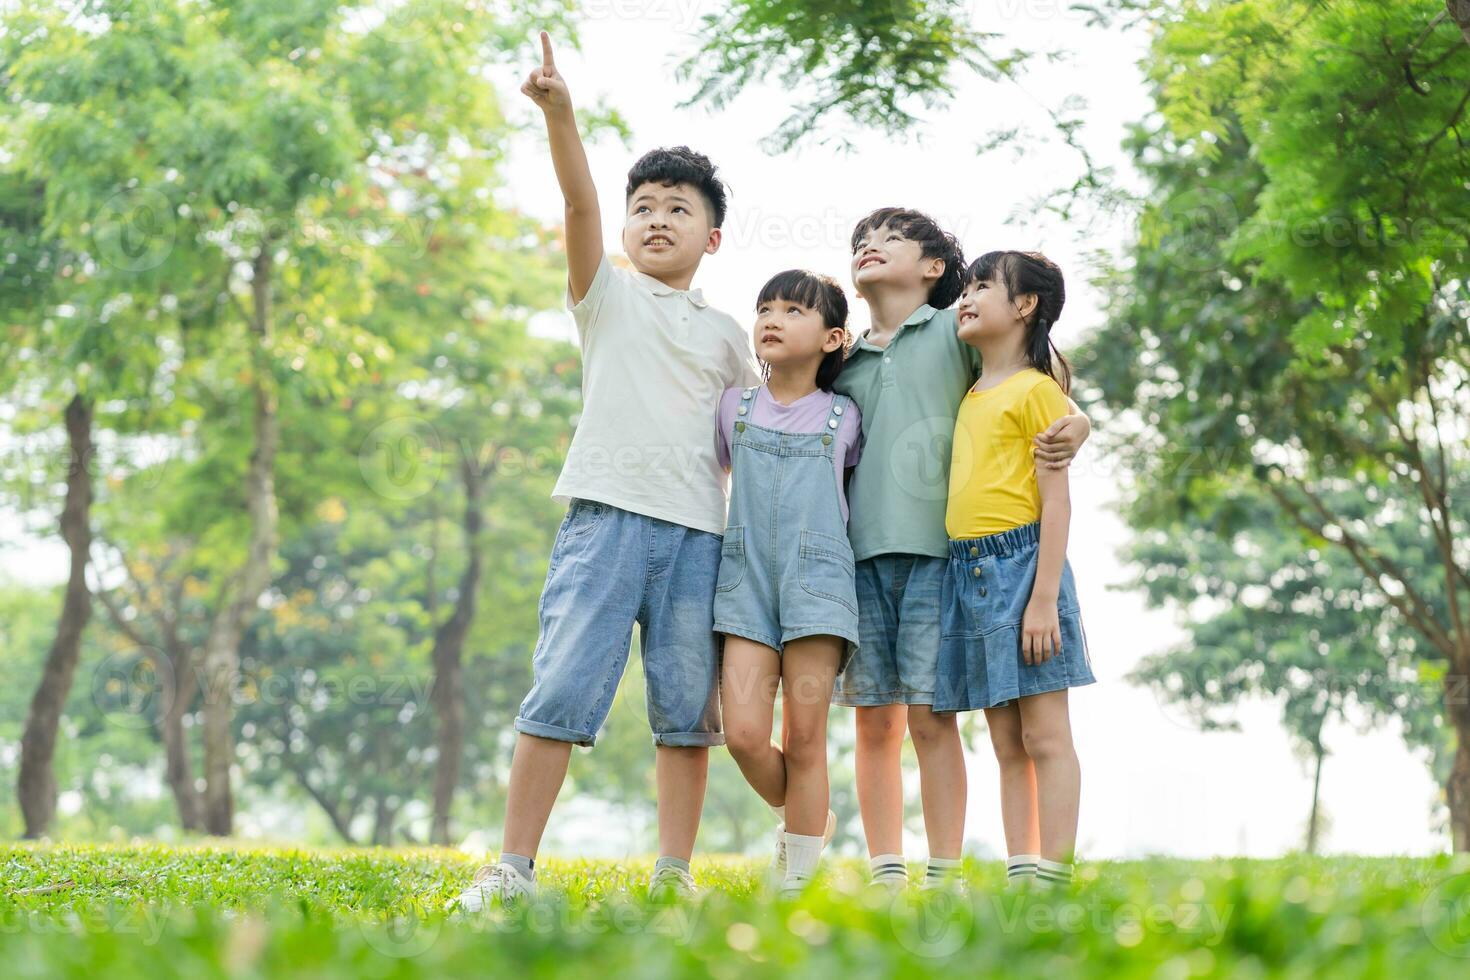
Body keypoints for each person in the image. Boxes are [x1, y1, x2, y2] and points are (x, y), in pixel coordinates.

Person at [447, 32, 760, 911]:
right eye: (646, 207)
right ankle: (511, 867)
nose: (658, 219)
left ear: (714, 235)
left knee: (686, 716)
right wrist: (562, 116)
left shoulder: (730, 335)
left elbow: (766, 432)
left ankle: (674, 876)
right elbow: (580, 204)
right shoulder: (606, 295)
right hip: (605, 524)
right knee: (560, 693)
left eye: (678, 209)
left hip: (701, 536)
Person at [831, 209, 1091, 891]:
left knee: (942, 718)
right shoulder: (848, 361)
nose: (868, 247)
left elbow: (1037, 380)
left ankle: (984, 872)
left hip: (963, 563)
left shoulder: (954, 332)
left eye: (887, 239)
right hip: (884, 559)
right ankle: (897, 871)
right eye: (860, 241)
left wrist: (1080, 419)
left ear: (934, 269)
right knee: (898, 724)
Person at [936, 250, 1096, 890]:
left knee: (1046, 735)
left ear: (1025, 306)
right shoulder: (972, 388)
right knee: (1005, 739)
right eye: (965, 287)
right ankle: (1020, 868)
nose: (966, 296)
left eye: (981, 286)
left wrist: (1042, 599)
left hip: (1023, 568)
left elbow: (1056, 500)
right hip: (967, 572)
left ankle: (1055, 872)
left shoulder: (1035, 391)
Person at [714, 270, 862, 896]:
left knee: (805, 738)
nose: (772, 319)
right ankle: (810, 819)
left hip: (820, 586)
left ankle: (796, 885)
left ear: (832, 338)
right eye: (765, 308)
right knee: (745, 736)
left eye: (793, 310)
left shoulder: (846, 416)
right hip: (745, 582)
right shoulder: (733, 407)